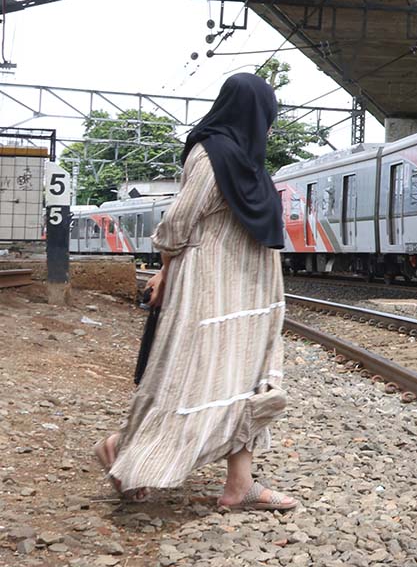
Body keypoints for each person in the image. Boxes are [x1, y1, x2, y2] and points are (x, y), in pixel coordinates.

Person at [93, 73, 297, 511]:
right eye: (268, 114)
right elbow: (179, 222)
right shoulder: (211, 154)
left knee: (246, 380)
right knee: (193, 375)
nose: (271, 125)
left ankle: (240, 485)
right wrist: (166, 271)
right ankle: (125, 449)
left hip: (248, 292)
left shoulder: (247, 160)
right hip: (212, 288)